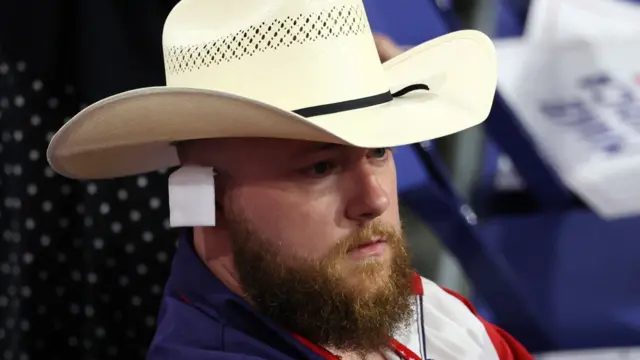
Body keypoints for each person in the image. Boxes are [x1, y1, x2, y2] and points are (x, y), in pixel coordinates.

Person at [46, 0, 532, 359]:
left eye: (379, 151)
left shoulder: (404, 310)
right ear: (203, 198)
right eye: (320, 167)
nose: (376, 197)